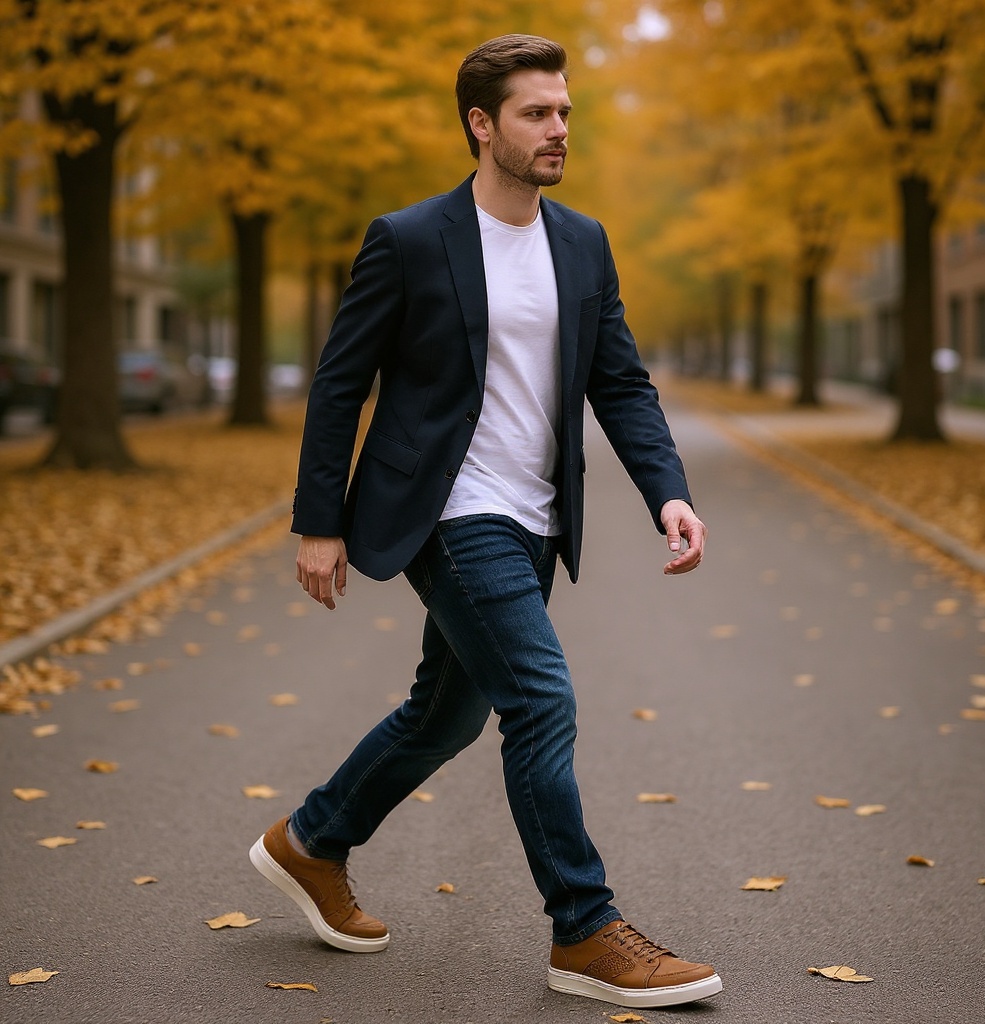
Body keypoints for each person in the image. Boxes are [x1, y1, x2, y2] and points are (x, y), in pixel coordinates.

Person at [249, 34, 722, 1010]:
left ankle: (311, 840)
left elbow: (619, 380)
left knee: (448, 710)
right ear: (480, 124)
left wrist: (666, 488)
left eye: (564, 113)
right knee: (540, 699)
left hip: (536, 516)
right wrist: (318, 520)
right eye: (535, 113)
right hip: (449, 510)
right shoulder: (411, 238)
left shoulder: (582, 242)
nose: (557, 130)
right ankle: (584, 928)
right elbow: (341, 384)